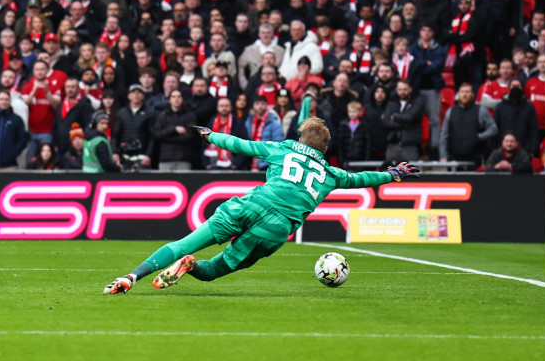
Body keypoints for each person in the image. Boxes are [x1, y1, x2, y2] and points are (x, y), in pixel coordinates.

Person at [104, 118, 420, 293]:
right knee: (214, 270)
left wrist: (212, 136)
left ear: (300, 137)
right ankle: (190, 267)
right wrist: (391, 174)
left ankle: (132, 277)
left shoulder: (283, 149)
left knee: (184, 242)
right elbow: (359, 178)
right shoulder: (330, 172)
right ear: (325, 147)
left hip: (251, 204)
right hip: (276, 228)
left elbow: (242, 145)